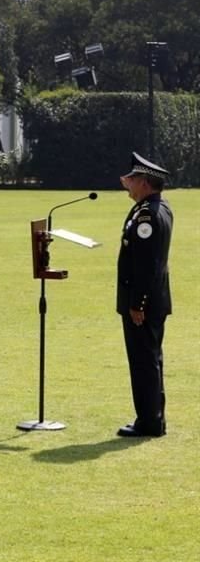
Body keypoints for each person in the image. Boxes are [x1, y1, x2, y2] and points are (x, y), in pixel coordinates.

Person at [116, 152, 173, 438]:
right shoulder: (154, 208)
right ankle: (153, 418)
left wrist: (137, 303)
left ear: (144, 183)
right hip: (153, 300)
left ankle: (149, 422)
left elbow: (146, 266)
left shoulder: (148, 214)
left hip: (144, 303)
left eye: (132, 179)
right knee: (150, 359)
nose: (127, 184)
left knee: (144, 362)